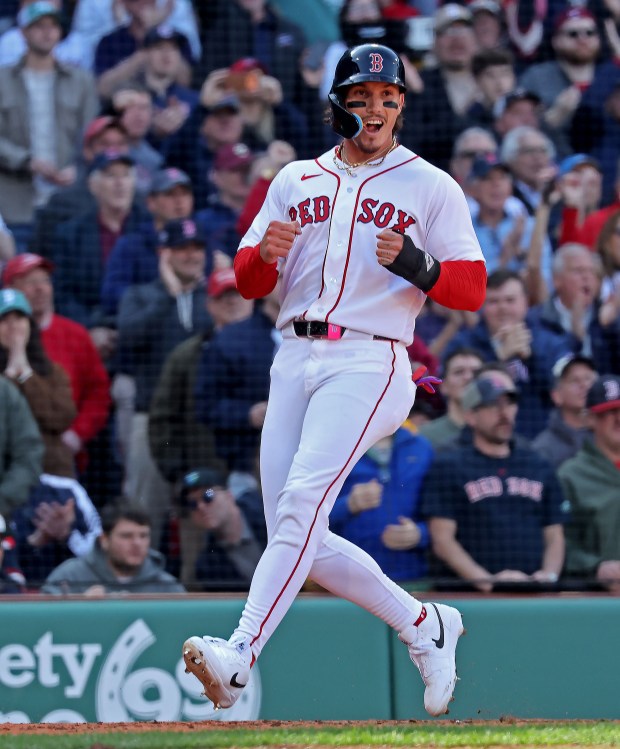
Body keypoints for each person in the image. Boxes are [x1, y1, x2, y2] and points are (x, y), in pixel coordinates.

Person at [182, 43, 487, 718]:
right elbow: (247, 276)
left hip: (371, 358)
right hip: (292, 355)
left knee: (299, 509)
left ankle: (239, 653)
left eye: (387, 98)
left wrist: (419, 264)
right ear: (338, 106)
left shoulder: (430, 185)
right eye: (361, 98)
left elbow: (472, 288)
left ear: (402, 105)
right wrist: (262, 254)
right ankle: (425, 624)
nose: (375, 109)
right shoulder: (295, 178)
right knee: (301, 536)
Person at [149, 267, 253, 585]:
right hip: (204, 489)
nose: (232, 302)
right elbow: (161, 420)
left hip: (260, 482)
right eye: (223, 297)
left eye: (238, 294)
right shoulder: (186, 355)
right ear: (209, 304)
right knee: (196, 571)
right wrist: (182, 479)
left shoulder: (274, 347)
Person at [420, 368, 567, 592]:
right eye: (492, 405)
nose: (504, 413)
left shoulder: (538, 463)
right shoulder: (449, 466)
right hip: (473, 599)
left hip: (536, 594)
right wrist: (488, 583)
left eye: (509, 404)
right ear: (470, 416)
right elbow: (442, 540)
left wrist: (548, 577)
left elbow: (555, 533)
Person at [2, 253, 112, 491]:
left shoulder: (75, 335)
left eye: (44, 281)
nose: (39, 289)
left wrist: (77, 434)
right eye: (29, 282)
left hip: (55, 459)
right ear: (10, 288)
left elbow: (96, 394)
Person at [0, 0, 98, 239]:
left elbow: (93, 135)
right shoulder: (2, 81)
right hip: (15, 203)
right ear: (23, 32)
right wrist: (26, 161)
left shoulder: (81, 81)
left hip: (67, 202)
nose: (47, 32)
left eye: (53, 26)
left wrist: (78, 168)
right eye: (38, 26)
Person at [444, 269, 573, 438]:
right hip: (482, 438)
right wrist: (499, 360)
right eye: (493, 301)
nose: (503, 307)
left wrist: (530, 358)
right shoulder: (463, 344)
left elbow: (564, 389)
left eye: (510, 300)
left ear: (526, 302)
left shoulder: (549, 341)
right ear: (482, 305)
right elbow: (457, 394)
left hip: (542, 438)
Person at [330, 425, 434, 582]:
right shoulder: (334, 448)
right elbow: (305, 517)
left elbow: (446, 512)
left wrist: (421, 534)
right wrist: (348, 505)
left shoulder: (421, 447)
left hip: (412, 578)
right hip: (347, 580)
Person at [558, 374, 620, 591]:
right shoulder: (571, 474)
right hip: (597, 597)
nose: (618, 418)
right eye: (610, 412)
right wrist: (596, 566)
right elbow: (561, 543)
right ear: (590, 418)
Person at [41, 503, 185, 595]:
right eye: (126, 536)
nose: (137, 543)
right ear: (104, 540)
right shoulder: (70, 576)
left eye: (143, 536)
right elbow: (40, 621)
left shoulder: (167, 587)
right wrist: (80, 608)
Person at [183, 468, 266, 591]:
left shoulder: (267, 516)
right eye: (193, 504)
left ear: (229, 495)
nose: (201, 506)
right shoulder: (208, 566)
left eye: (208, 496)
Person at [532, 354, 598, 470]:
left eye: (588, 379)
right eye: (574, 381)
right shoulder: (543, 449)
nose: (584, 385)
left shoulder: (610, 434)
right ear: (556, 396)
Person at [419, 347, 484, 448]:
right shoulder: (424, 436)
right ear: (444, 386)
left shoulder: (499, 431)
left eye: (476, 372)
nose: (468, 377)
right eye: (458, 372)